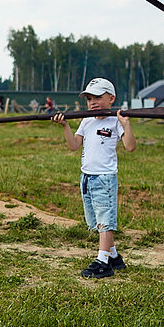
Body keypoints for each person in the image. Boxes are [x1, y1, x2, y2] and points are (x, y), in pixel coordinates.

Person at [51, 78, 135, 278]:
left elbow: (130, 147)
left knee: (105, 221)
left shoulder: (115, 121)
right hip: (87, 178)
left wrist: (126, 124)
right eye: (89, 98)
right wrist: (64, 126)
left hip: (105, 178)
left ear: (111, 98)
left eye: (98, 97)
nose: (92, 102)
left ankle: (102, 261)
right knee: (98, 221)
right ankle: (114, 257)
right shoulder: (86, 120)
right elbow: (74, 145)